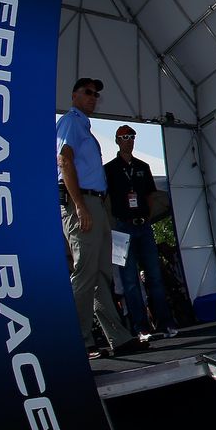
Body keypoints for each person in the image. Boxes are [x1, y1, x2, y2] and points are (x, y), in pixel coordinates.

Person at [57, 78, 143, 358]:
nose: (93, 97)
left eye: (95, 94)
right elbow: (64, 160)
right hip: (82, 201)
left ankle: (117, 337)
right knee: (84, 272)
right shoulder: (70, 122)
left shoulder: (84, 127)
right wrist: (80, 206)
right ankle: (76, 340)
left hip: (96, 202)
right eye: (87, 92)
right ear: (74, 95)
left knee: (101, 275)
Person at [105, 125, 178, 341]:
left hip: (143, 227)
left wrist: (146, 216)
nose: (129, 140)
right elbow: (105, 199)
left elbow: (150, 195)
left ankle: (165, 322)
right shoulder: (109, 169)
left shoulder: (142, 166)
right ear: (117, 140)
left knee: (154, 276)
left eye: (132, 136)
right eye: (124, 137)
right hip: (121, 227)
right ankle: (140, 326)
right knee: (129, 280)